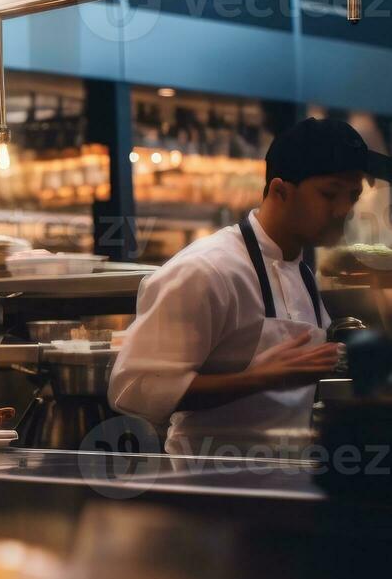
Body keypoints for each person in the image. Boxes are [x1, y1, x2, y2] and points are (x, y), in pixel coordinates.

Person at [110, 117, 391, 455]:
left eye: (353, 195)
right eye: (329, 194)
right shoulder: (205, 270)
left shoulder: (300, 270)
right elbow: (133, 389)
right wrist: (259, 378)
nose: (344, 209)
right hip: (207, 486)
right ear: (280, 191)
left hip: (284, 481)